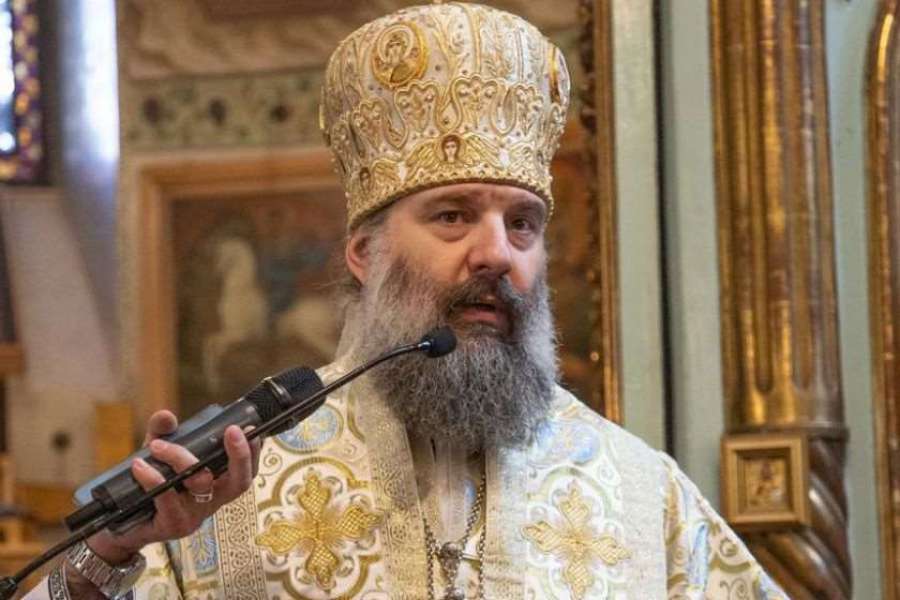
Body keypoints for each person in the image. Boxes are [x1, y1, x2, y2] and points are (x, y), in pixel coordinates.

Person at [26, 2, 787, 598]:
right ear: (365, 255)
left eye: (523, 224)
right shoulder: (228, 491)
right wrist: (114, 551)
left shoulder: (641, 494)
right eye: (453, 215)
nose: (497, 253)